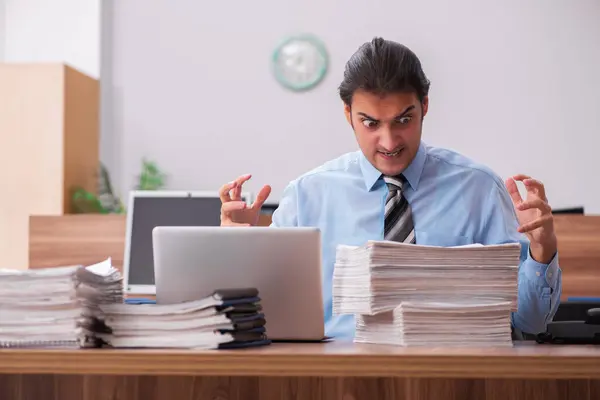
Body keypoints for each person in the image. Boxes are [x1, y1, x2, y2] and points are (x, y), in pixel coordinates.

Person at [219, 37, 562, 340]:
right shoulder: (306, 195)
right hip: (334, 378)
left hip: (451, 377)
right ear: (348, 114)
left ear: (424, 106)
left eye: (403, 119)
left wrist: (541, 251)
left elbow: (529, 323)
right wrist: (238, 253)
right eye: (370, 123)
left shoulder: (480, 190)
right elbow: (260, 320)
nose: (388, 141)